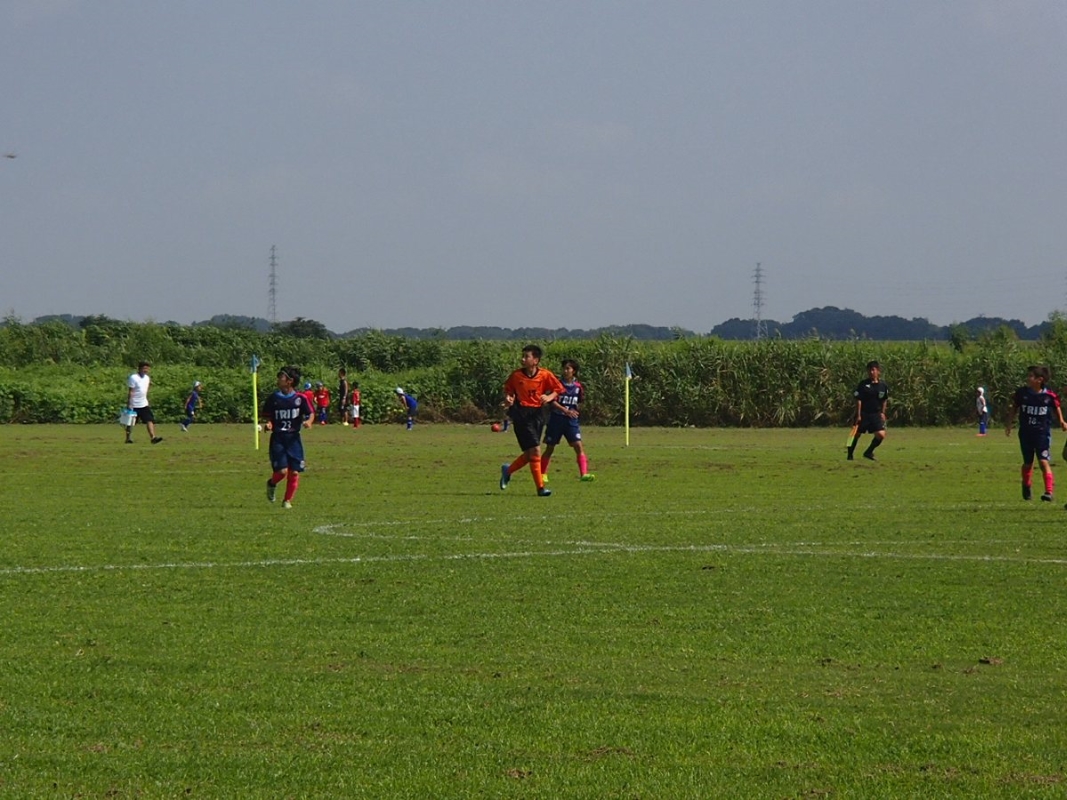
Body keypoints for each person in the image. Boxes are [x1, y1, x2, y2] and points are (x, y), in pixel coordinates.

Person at [499, 344, 565, 496]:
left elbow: (558, 389)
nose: (523, 359)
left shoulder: (545, 375)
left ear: (535, 360)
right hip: (521, 414)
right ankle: (540, 488)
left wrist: (549, 397)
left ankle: (508, 471)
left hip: (538, 414)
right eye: (522, 356)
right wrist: (508, 399)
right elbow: (508, 390)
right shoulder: (516, 376)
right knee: (536, 450)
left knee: (530, 455)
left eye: (526, 356)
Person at [1005, 365, 1067, 502]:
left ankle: (1049, 492)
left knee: (1043, 461)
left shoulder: (1048, 395)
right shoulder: (1022, 393)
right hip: (1026, 433)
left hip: (1042, 434)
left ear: (1040, 380)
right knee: (1028, 463)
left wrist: (1062, 421)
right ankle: (1026, 484)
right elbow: (1014, 407)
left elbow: (1056, 407)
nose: (1028, 379)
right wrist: (1009, 423)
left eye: (1031, 376)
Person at [263, 365, 314, 509]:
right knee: (282, 472)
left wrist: (309, 422)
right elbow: (268, 417)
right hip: (278, 439)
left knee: (294, 472)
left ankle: (287, 500)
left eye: (281, 376)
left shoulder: (300, 398)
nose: (278, 379)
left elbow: (310, 413)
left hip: (294, 439)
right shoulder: (273, 398)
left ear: (289, 381)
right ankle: (271, 483)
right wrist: (269, 424)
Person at [541, 359, 595, 482]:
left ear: (573, 371)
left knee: (578, 446)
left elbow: (579, 401)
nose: (565, 371)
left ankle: (584, 474)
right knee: (550, 447)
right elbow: (552, 401)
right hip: (556, 420)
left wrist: (574, 412)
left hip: (571, 421)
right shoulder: (557, 385)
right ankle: (542, 474)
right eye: (564, 368)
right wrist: (565, 410)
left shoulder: (578, 387)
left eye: (568, 369)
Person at [847, 360, 888, 461]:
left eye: (873, 370)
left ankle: (868, 452)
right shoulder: (863, 384)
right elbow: (858, 400)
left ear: (878, 371)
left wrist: (883, 413)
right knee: (854, 434)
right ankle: (849, 455)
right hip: (863, 413)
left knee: (881, 435)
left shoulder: (883, 386)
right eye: (869, 370)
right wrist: (858, 415)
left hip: (875, 414)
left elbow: (884, 400)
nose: (871, 372)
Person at [125, 361, 163, 445]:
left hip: (144, 404)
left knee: (149, 420)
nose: (146, 370)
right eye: (144, 368)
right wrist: (129, 403)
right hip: (134, 404)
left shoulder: (147, 378)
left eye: (147, 368)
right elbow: (131, 391)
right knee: (131, 423)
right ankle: (128, 438)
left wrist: (147, 400)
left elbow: (146, 389)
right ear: (139, 369)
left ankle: (153, 437)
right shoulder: (133, 377)